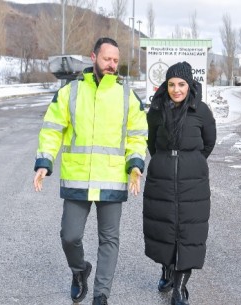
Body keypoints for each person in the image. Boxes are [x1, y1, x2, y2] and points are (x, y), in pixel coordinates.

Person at [33, 37, 148, 305]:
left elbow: (137, 135)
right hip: (78, 178)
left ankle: (101, 295)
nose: (112, 65)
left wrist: (135, 164)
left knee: (109, 240)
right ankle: (79, 270)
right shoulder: (70, 92)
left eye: (116, 60)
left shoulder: (126, 95)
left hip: (112, 179)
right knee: (69, 236)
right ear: (93, 57)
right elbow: (52, 129)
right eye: (107, 59)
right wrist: (44, 162)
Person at [143, 61, 216, 305]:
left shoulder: (201, 111)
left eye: (181, 84)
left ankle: (180, 287)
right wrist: (167, 162)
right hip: (161, 180)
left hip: (192, 182)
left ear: (190, 85)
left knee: (188, 232)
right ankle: (166, 271)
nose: (176, 89)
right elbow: (152, 142)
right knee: (165, 229)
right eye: (172, 84)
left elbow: (208, 143)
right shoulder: (156, 110)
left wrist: (189, 162)